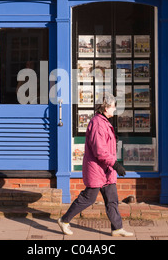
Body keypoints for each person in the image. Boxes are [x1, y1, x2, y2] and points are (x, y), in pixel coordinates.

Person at [58, 93, 133, 237]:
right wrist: (115, 165)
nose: (114, 109)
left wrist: (112, 166)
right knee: (88, 198)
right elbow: (100, 151)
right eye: (113, 107)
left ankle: (117, 228)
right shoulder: (98, 123)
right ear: (105, 108)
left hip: (106, 170)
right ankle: (64, 220)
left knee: (112, 199)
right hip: (97, 169)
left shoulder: (104, 122)